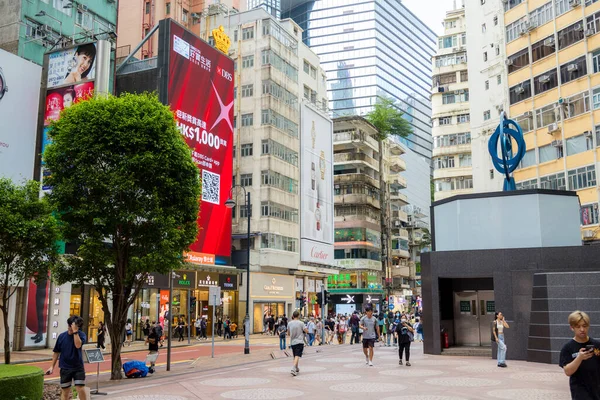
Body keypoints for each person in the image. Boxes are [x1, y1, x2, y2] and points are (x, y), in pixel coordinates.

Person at [559, 311, 600, 399]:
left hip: (596, 389)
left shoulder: (597, 345)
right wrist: (579, 358)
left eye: (584, 326)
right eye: (578, 327)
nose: (582, 329)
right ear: (572, 328)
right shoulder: (568, 348)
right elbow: (568, 371)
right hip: (580, 391)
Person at [46, 316, 87, 400]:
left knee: (80, 388)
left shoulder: (81, 335)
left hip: (78, 367)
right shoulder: (61, 336)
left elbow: (78, 345)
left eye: (75, 327)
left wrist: (75, 332)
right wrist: (52, 366)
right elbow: (56, 352)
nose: (71, 328)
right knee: (65, 391)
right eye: (71, 326)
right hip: (65, 368)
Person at [288, 311, 308, 376]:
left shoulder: (289, 323)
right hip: (299, 341)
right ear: (298, 316)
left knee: (295, 356)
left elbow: (288, 333)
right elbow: (306, 330)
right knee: (297, 355)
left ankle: (296, 368)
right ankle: (293, 368)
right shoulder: (301, 323)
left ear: (293, 316)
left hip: (292, 342)